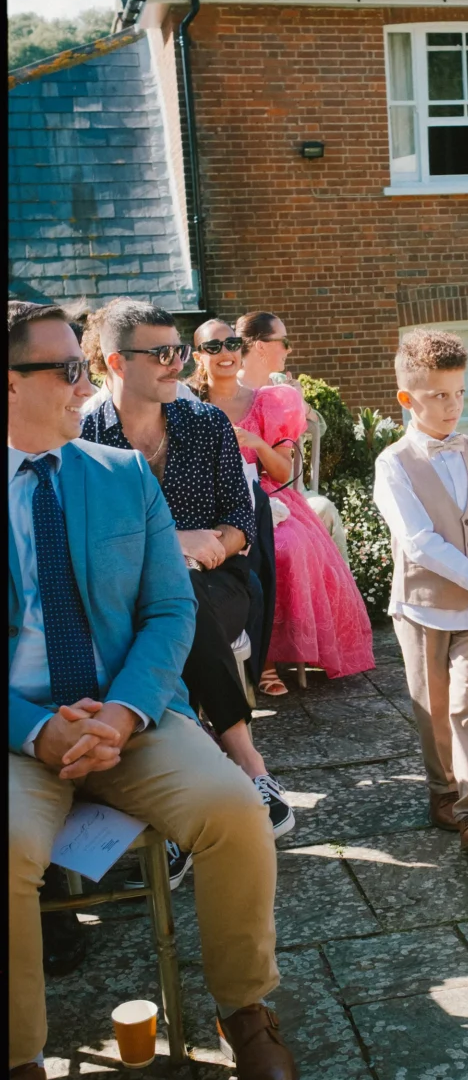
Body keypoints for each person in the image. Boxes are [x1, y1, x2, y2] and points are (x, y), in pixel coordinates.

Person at [8, 301, 297, 1080]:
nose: (82, 385)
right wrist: (36, 727)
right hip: (17, 733)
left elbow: (173, 612)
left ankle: (245, 1010)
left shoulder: (119, 475)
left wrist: (125, 714)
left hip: (134, 719)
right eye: (64, 370)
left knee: (236, 812)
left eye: (81, 367)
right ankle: (21, 1061)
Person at [79, 299, 294, 843]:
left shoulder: (206, 423)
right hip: (118, 597)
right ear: (116, 364)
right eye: (160, 353)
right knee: (169, 601)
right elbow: (88, 541)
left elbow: (242, 522)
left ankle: (224, 777)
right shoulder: (83, 439)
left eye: (177, 349)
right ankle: (226, 774)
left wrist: (205, 548)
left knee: (181, 598)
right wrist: (172, 543)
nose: (177, 362)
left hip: (218, 582)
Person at [373, 330, 468, 854]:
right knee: (433, 709)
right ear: (407, 399)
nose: (452, 405)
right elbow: (419, 543)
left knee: (466, 704)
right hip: (422, 608)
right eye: (438, 395)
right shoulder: (392, 464)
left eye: (458, 392)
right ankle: (442, 789)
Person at [191, 317, 375, 696]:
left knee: (285, 546)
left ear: (240, 350)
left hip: (270, 496)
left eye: (230, 345)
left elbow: (283, 470)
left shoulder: (271, 401)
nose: (224, 353)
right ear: (198, 356)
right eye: (212, 347)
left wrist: (255, 442)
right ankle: (257, 659)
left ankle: (274, 656)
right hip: (207, 502)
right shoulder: (187, 406)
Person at [236, 310, 349, 564]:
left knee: (322, 511)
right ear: (260, 346)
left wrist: (299, 404)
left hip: (287, 488)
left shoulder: (280, 391)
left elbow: (318, 427)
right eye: (284, 342)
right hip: (243, 491)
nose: (289, 350)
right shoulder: (229, 390)